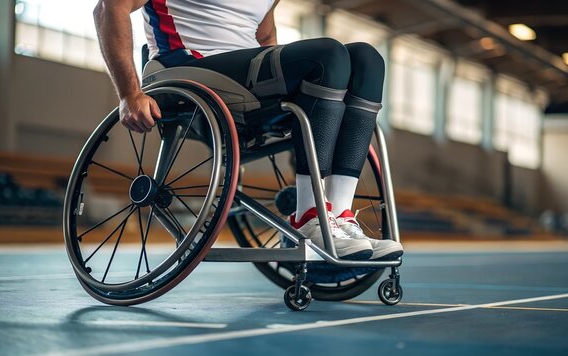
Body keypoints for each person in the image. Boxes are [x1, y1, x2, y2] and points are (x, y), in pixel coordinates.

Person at [93, 0, 403, 261]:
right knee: (329, 55)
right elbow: (108, 8)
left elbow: (266, 37)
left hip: (244, 73)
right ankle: (309, 219)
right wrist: (129, 93)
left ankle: (338, 216)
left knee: (367, 59)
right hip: (189, 67)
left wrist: (308, 95)